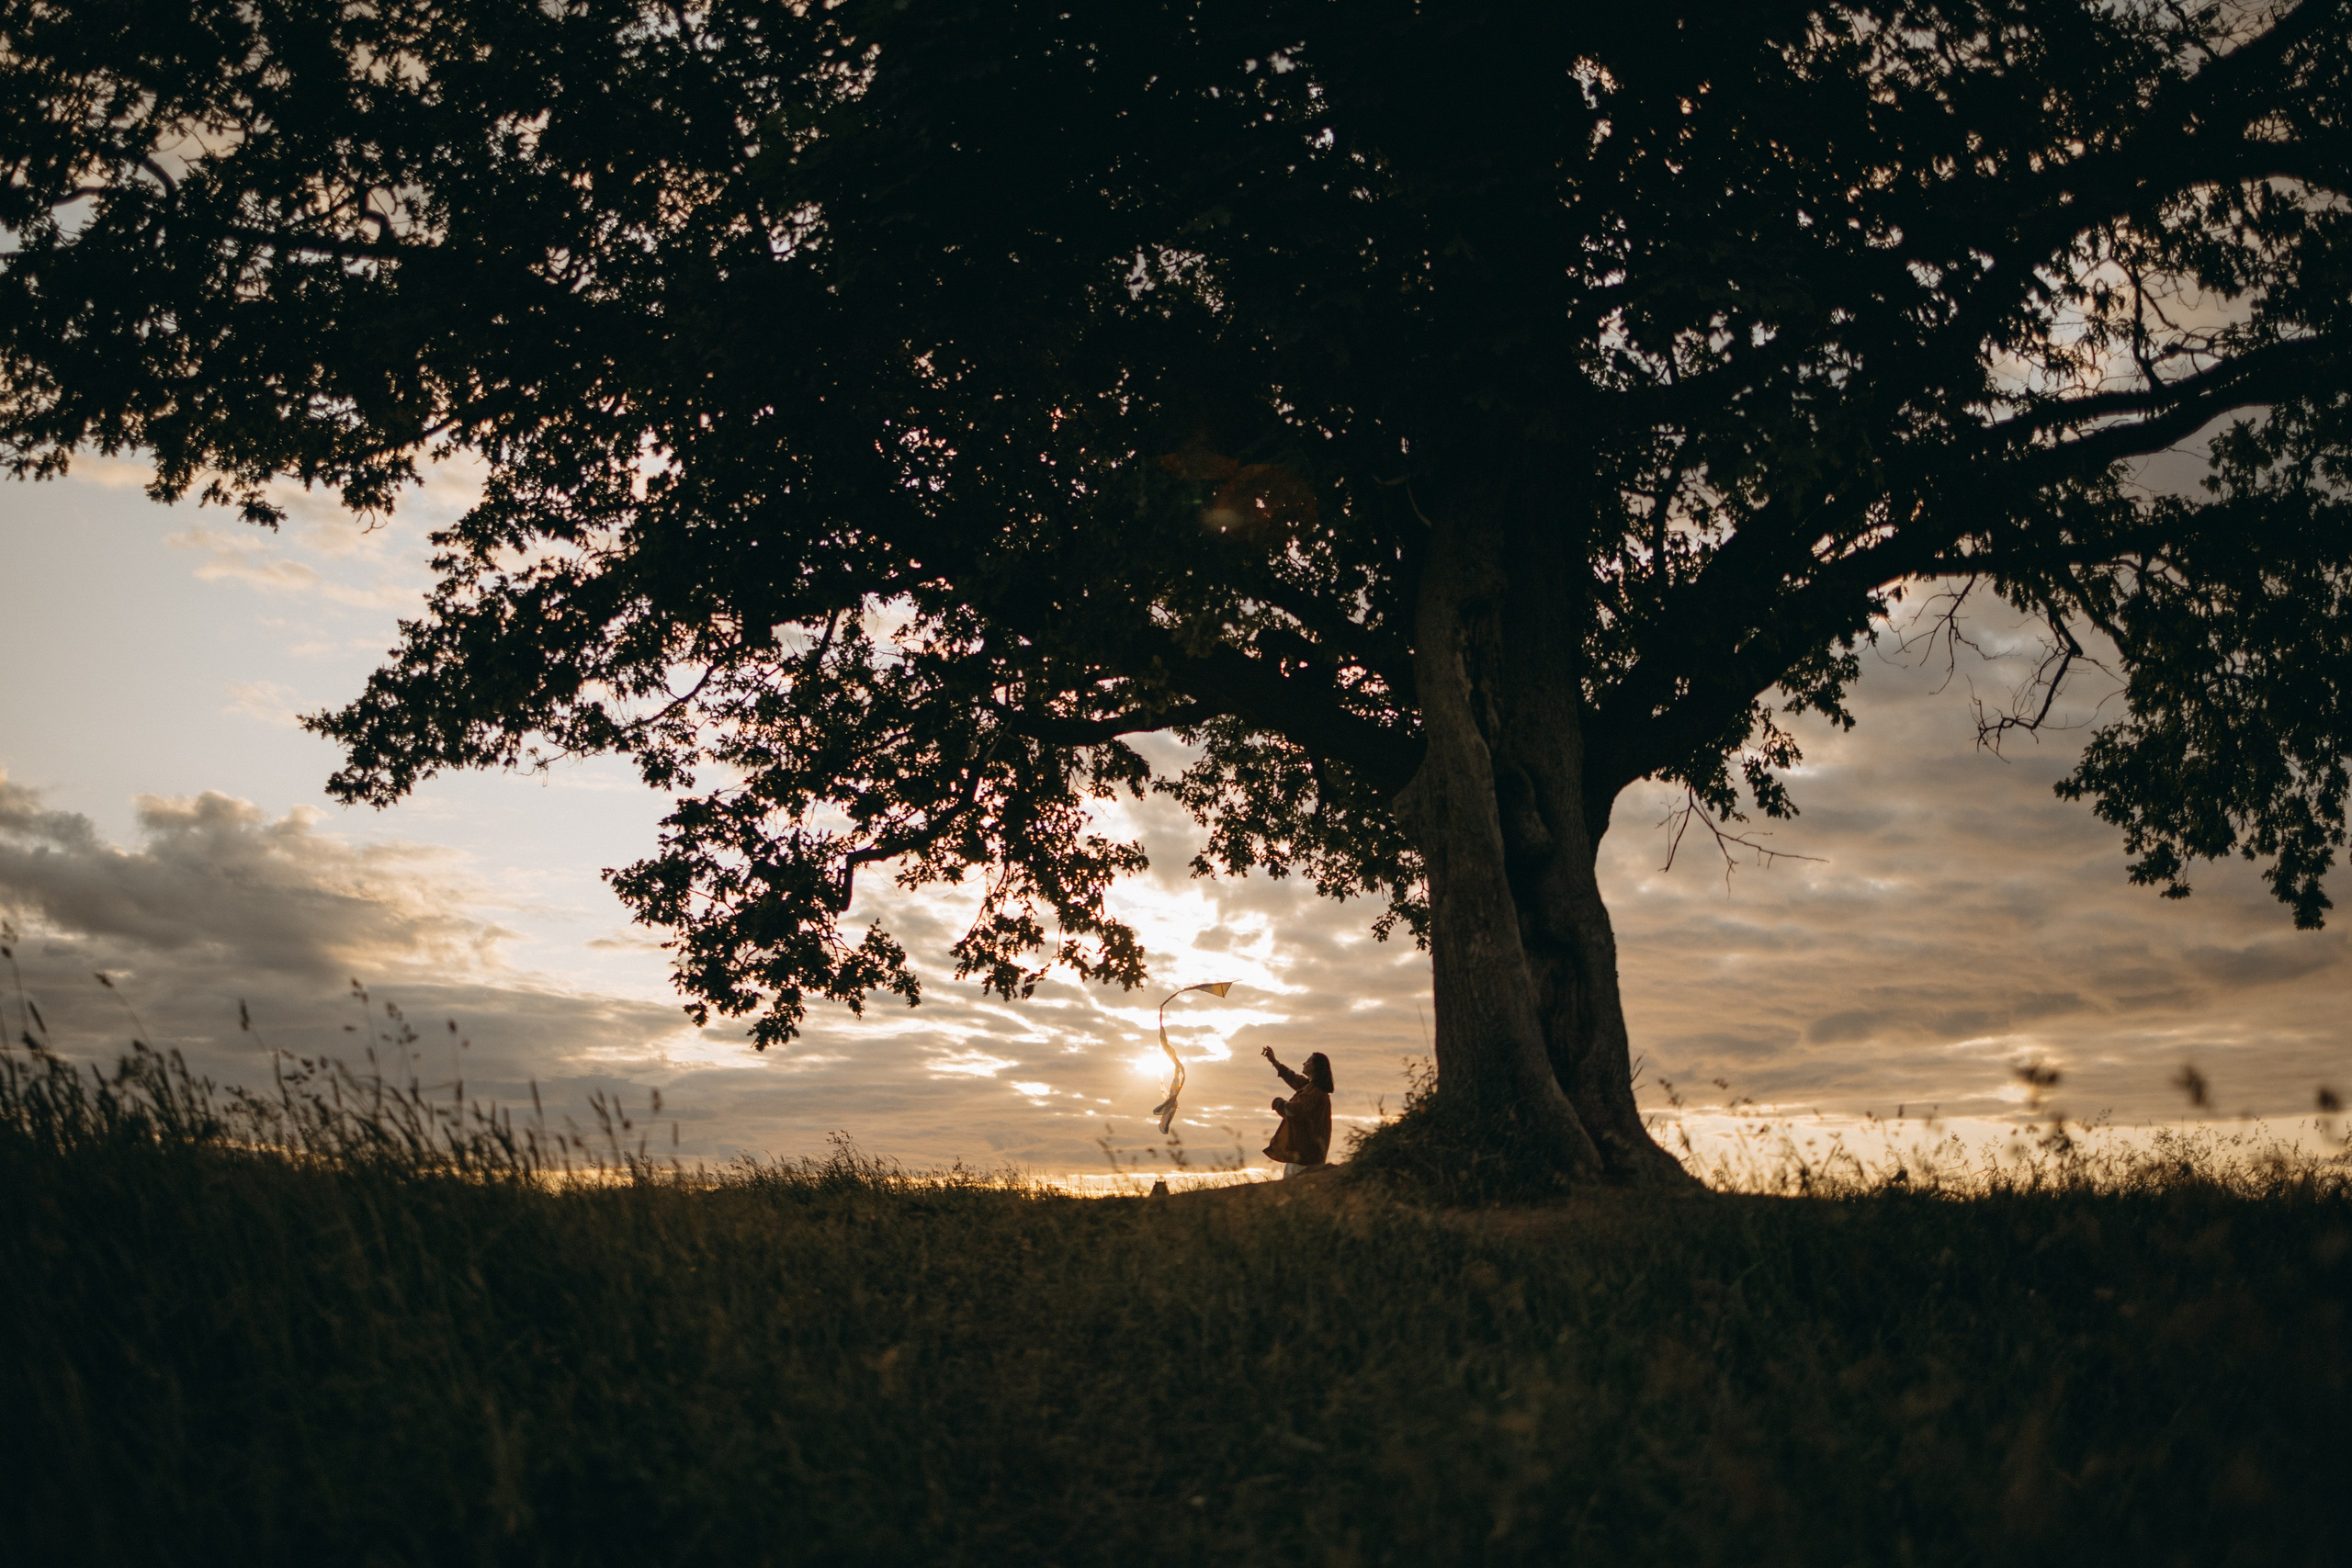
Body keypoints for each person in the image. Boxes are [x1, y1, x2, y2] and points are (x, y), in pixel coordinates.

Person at [1261, 1045, 1334, 1177]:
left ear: (1316, 1067)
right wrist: (1274, 1061)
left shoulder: (1315, 1092)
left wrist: (1279, 1103)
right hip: (1303, 1153)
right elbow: (1292, 1077)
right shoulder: (1310, 1087)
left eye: (1308, 1061)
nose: (1304, 1063)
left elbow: (1296, 1111)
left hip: (1306, 1155)